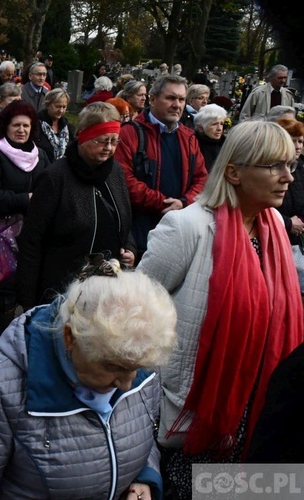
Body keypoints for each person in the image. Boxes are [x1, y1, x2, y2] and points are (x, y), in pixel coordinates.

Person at [137, 120, 303, 498]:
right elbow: (134, 317)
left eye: (290, 165)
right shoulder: (187, 227)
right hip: (198, 417)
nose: (287, 177)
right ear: (234, 172)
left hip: (259, 412)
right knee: (194, 492)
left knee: (245, 493)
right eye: (275, 165)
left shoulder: (273, 225)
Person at [0, 258, 177, 499]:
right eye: (112, 366)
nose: (127, 383)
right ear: (70, 338)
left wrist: (144, 477)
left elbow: (139, 438)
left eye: (136, 368)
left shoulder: (139, 358)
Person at [17, 102, 136, 308]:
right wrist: (29, 300)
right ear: (82, 135)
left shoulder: (115, 172)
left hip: (107, 290)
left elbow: (123, 218)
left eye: (114, 141)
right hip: (62, 290)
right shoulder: (55, 178)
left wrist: (130, 248)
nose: (108, 148)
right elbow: (31, 241)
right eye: (101, 141)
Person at [0, 100, 50, 335]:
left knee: (16, 279)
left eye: (26, 126)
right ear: (5, 127)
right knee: (6, 282)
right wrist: (27, 199)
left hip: (31, 230)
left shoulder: (41, 156)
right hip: (1, 230)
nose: (21, 130)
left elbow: (49, 187)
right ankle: (8, 333)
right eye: (16, 125)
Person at [114, 74, 208, 258]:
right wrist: (162, 203)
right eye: (170, 98)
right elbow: (124, 179)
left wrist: (183, 202)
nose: (177, 105)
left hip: (178, 234)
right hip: (139, 234)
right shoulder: (130, 133)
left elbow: (202, 178)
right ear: (152, 99)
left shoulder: (188, 137)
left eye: (181, 99)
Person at [273, 117, 304, 288]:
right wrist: (288, 222)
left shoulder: (299, 167)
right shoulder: (271, 167)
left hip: (295, 242)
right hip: (276, 239)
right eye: (293, 141)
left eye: (301, 141)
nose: (298, 146)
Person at [35, 87, 76, 162]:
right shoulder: (36, 125)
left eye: (64, 107)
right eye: (58, 106)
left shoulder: (68, 128)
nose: (61, 110)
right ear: (48, 105)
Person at [192, 103, 227, 173]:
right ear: (200, 127)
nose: (219, 128)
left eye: (221, 124)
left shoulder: (226, 143)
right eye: (214, 124)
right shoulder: (194, 145)